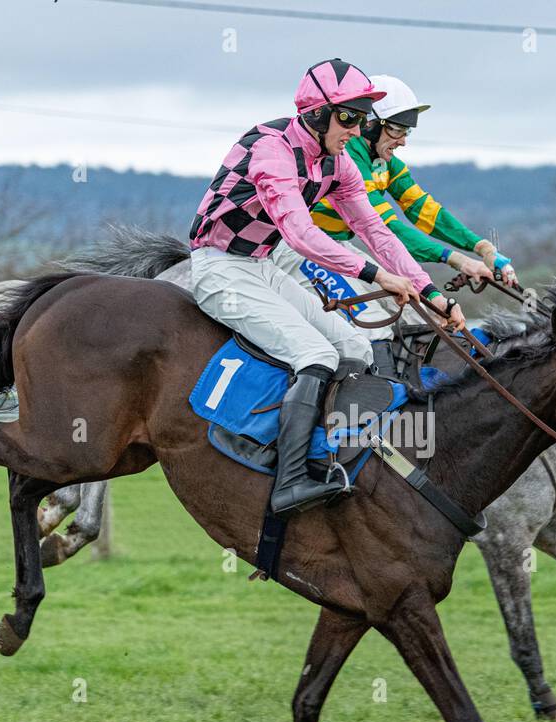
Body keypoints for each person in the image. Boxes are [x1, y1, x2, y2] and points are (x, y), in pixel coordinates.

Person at [188, 58, 467, 516]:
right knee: (315, 354)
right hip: (219, 268)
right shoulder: (271, 149)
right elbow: (300, 232)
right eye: (350, 118)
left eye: (362, 120)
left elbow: (377, 230)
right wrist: (377, 276)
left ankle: (328, 455)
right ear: (317, 114)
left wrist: (433, 296)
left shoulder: (335, 163)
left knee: (354, 345)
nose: (357, 131)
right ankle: (289, 482)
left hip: (261, 267)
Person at [267, 74, 518, 378]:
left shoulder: (384, 163)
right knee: (371, 326)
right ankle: (376, 413)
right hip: (298, 250)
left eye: (407, 130)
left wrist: (483, 248)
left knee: (420, 311)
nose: (403, 140)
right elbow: (388, 230)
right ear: (370, 123)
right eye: (397, 128)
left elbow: (425, 210)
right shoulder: (348, 160)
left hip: (339, 249)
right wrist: (458, 260)